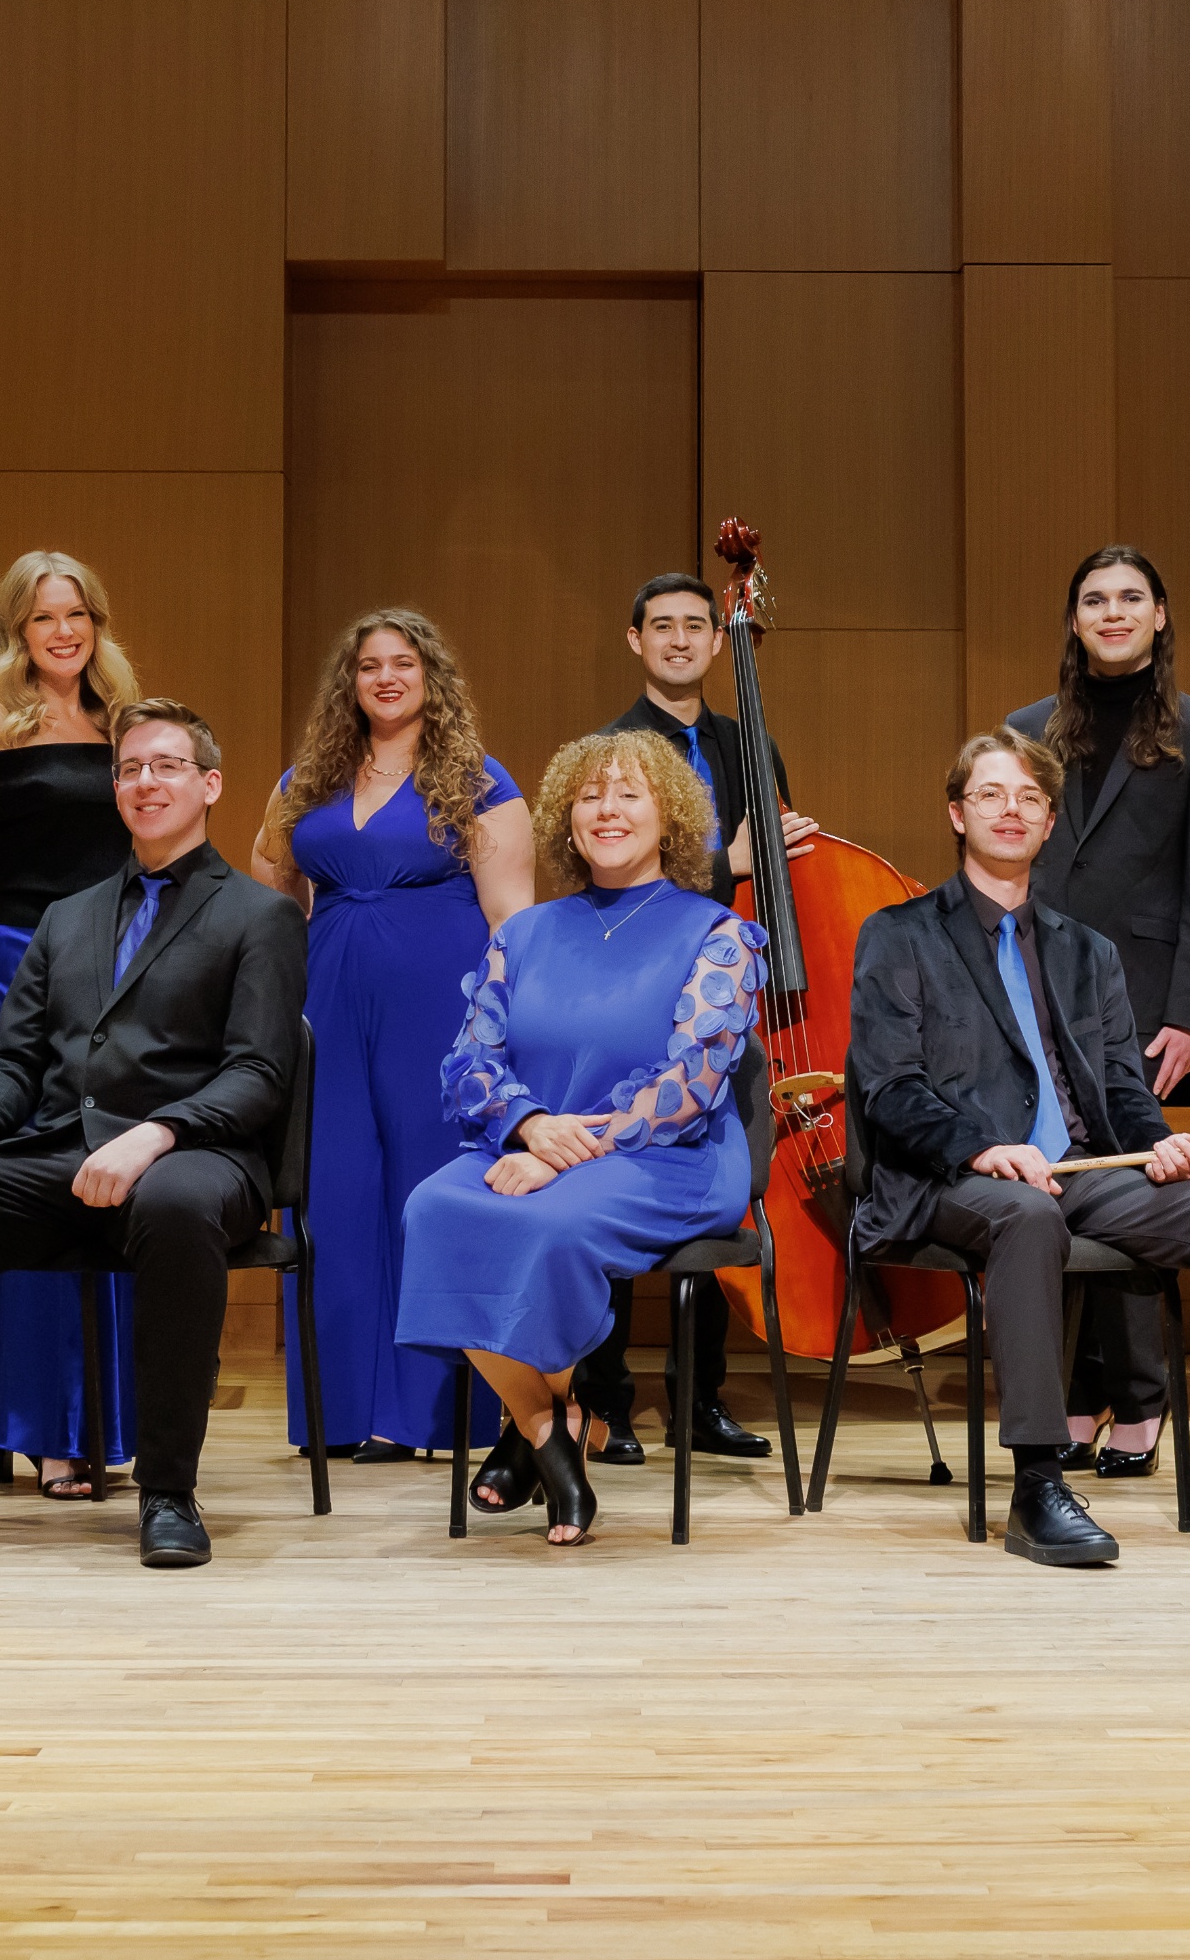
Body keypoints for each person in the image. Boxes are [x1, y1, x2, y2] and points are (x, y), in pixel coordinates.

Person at [0, 700, 306, 1571]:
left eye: (165, 766)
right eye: (128, 769)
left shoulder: (258, 916)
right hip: (62, 1158)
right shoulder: (67, 918)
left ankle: (167, 1491)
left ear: (209, 786)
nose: (143, 783)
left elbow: (258, 1076)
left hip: (196, 1163)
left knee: (170, 1205)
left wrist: (157, 1134)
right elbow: (14, 1061)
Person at [845, 730, 1190, 1569]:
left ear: (1049, 823)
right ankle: (1038, 1483)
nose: (1011, 811)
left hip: (1079, 1168)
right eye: (991, 795)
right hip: (951, 1177)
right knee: (1028, 1217)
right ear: (958, 813)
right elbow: (890, 1089)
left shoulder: (1085, 950)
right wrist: (983, 1148)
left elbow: (1120, 1090)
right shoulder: (900, 935)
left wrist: (1157, 1144)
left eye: (1030, 798)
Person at [395, 729, 764, 1546]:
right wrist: (528, 1126)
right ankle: (549, 1429)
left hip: (668, 1156)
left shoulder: (718, 933)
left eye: (628, 792)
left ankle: (539, 1444)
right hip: (531, 1143)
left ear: (668, 814)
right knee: (431, 1207)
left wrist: (564, 1157)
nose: (607, 809)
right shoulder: (523, 934)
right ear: (566, 817)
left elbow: (691, 1084)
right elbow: (470, 1060)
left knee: (547, 1223)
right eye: (591, 795)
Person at [247, 608, 528, 1466]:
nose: (386, 677)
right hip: (325, 1004)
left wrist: (503, 1028)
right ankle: (339, 1413)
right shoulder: (310, 777)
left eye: (403, 662)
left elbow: (513, 915)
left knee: (425, 1190)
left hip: (439, 1009)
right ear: (351, 683)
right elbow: (267, 875)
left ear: (430, 678)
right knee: (331, 1195)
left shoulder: (478, 779)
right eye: (369, 665)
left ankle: (431, 1415)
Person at [1004, 544, 1190, 1482]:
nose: (1112, 613)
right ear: (1074, 620)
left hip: (1143, 1002)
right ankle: (1073, 1393)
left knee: (1128, 1193)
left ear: (1158, 616)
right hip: (1034, 992)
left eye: (1130, 598)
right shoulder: (1027, 730)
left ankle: (1140, 1402)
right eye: (1094, 600)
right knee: (1056, 1188)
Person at [578, 569, 812, 1466]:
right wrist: (730, 858)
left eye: (696, 627)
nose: (680, 640)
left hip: (728, 1002)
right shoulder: (608, 752)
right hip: (637, 993)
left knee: (715, 1178)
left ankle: (699, 1398)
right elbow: (606, 876)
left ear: (721, 643)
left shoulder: (752, 743)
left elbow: (772, 884)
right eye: (661, 626)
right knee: (604, 1191)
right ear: (635, 641)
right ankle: (605, 1398)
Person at [0, 550, 140, 1499]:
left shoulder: (125, 726)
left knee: (106, 1169)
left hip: (118, 964)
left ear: (97, 624)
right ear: (15, 632)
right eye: (44, 619)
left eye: (78, 616)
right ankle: (37, 1424)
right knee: (22, 1175)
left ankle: (98, 1420)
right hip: (17, 960)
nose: (63, 633)